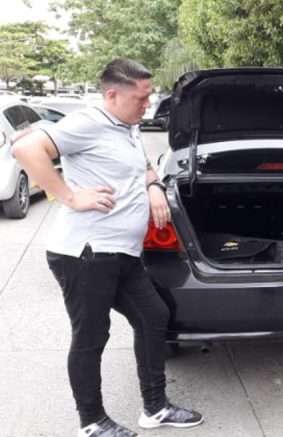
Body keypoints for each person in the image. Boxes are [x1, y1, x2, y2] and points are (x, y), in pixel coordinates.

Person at [12, 58, 203, 437]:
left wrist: (153, 187)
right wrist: (67, 195)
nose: (147, 105)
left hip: (122, 254)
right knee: (91, 337)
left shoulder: (127, 126)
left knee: (153, 316)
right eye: (141, 98)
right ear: (113, 94)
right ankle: (92, 422)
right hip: (85, 254)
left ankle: (155, 408)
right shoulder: (88, 123)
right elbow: (26, 149)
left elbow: (143, 164)